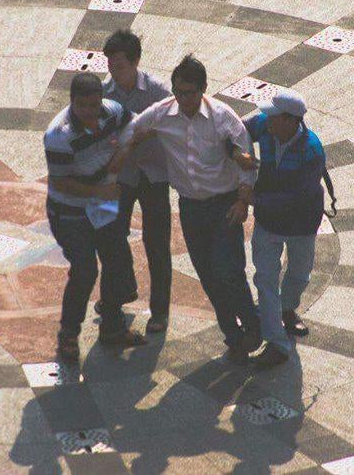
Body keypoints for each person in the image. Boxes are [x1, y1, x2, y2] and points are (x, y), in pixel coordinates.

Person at [127, 55, 261, 363]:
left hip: (223, 204)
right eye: (178, 92)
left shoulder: (223, 118)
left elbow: (247, 162)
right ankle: (233, 336)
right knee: (208, 274)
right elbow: (132, 130)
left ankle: (253, 325)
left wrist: (242, 201)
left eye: (189, 92)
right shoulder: (162, 114)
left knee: (229, 270)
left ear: (203, 89)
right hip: (189, 207)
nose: (183, 99)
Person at [44, 72, 147, 363]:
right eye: (82, 106)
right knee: (85, 271)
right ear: (72, 102)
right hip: (70, 212)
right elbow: (61, 183)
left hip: (101, 202)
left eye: (93, 105)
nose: (89, 112)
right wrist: (100, 191)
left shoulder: (111, 112)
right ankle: (68, 335)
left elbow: (134, 123)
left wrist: (125, 150)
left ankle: (112, 326)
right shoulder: (59, 135)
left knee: (117, 258)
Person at [240, 87, 327, 368]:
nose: (267, 119)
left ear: (291, 121)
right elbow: (238, 130)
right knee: (265, 279)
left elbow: (295, 198)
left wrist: (253, 199)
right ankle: (277, 343)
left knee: (299, 274)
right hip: (268, 222)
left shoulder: (311, 151)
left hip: (301, 222)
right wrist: (237, 152)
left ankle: (287, 309)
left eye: (274, 116)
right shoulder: (266, 126)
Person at [100, 29, 173, 334]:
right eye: (110, 65)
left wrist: (145, 132)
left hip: (154, 175)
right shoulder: (106, 94)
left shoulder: (156, 91)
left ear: (135, 62)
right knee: (112, 238)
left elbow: (174, 120)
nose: (113, 72)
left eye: (119, 65)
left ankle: (159, 312)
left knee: (156, 244)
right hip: (123, 175)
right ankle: (116, 298)